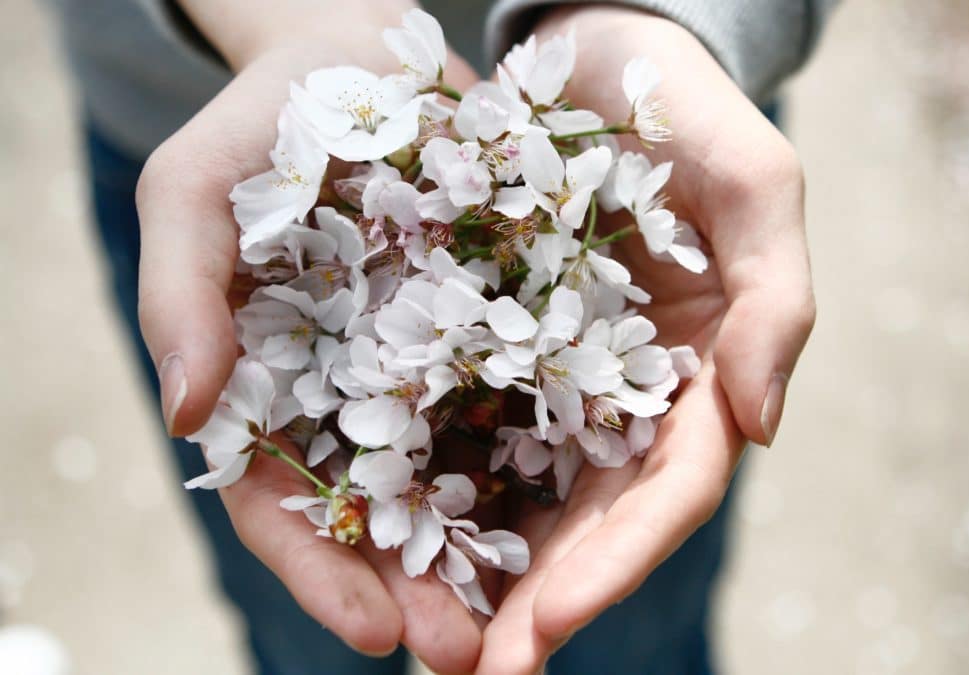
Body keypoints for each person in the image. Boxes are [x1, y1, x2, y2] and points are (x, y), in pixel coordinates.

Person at [53, 1, 830, 672]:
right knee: (308, 638)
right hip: (190, 113)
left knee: (635, 637)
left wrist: (662, 17)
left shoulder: (577, 219)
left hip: (636, 81)